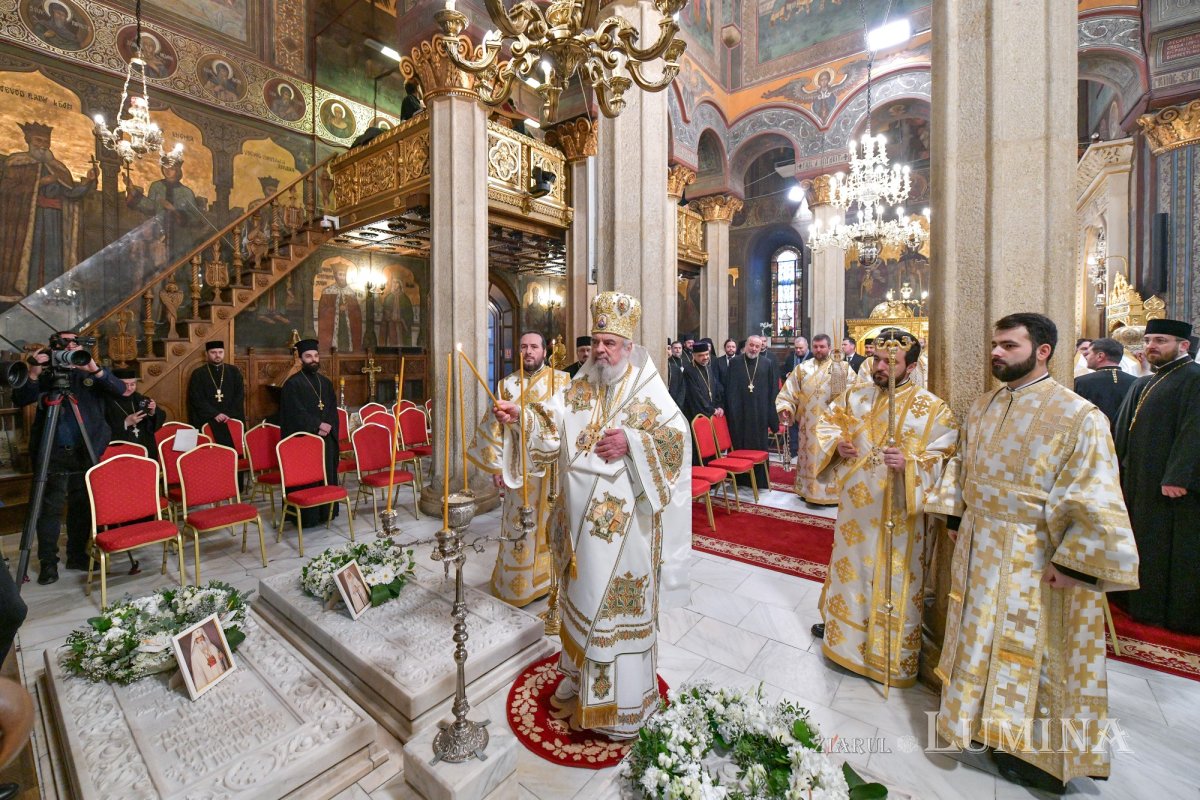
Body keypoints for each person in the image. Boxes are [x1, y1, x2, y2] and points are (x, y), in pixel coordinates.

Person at [926, 312, 1139, 793]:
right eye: (995, 344)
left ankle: (1037, 755)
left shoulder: (1078, 415)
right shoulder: (983, 405)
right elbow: (961, 465)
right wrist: (957, 518)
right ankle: (977, 724)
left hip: (1037, 554)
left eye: (1009, 346)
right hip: (980, 544)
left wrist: (1073, 561)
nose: (996, 353)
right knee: (979, 636)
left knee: (1037, 651)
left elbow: (1096, 492)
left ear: (1043, 351)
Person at [491, 291, 688, 739]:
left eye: (610, 343)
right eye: (597, 341)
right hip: (577, 528)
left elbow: (676, 440)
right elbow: (551, 420)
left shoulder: (646, 386)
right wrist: (520, 416)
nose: (600, 350)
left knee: (612, 609)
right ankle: (577, 676)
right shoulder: (581, 385)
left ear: (628, 346)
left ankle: (621, 705)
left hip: (624, 532)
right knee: (580, 600)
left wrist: (632, 443)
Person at [809, 329, 957, 687]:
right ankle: (842, 640)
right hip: (855, 513)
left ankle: (887, 656)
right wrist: (837, 446)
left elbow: (947, 457)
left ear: (912, 366)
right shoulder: (855, 396)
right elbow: (828, 424)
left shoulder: (932, 409)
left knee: (892, 580)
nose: (879, 367)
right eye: (876, 359)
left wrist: (910, 464)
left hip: (899, 516)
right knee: (851, 573)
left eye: (890, 363)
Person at [13, 332, 125, 584]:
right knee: (49, 510)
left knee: (83, 506)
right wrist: (33, 373)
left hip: (87, 450)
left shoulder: (89, 372)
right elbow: (20, 398)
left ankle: (77, 555)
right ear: (53, 348)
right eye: (64, 345)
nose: (70, 349)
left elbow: (120, 390)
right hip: (53, 451)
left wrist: (93, 368)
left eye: (75, 344)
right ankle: (48, 563)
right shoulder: (47, 374)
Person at [468, 332, 569, 607]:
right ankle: (519, 586)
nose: (528, 351)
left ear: (544, 351)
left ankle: (550, 580)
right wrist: (496, 467)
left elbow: (569, 423)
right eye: (523, 347)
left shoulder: (562, 381)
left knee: (551, 523)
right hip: (517, 469)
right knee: (518, 524)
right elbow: (494, 428)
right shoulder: (507, 385)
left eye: (534, 346)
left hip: (552, 470)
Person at [1113, 318, 1200, 635]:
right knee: (1145, 541)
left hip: (1170, 484)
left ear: (1183, 345)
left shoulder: (1193, 378)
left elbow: (1194, 429)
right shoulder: (1152, 380)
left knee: (1170, 548)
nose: (1151, 346)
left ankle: (1170, 613)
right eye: (1149, 340)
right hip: (1142, 479)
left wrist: (1179, 475)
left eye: (1160, 340)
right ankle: (1141, 604)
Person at [0, 122, 96, 300]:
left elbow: (70, 194)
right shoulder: (17, 163)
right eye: (38, 140)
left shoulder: (59, 168)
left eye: (46, 141)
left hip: (55, 220)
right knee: (32, 256)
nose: (43, 145)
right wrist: (40, 183)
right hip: (27, 221)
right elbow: (6, 190)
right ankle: (27, 292)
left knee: (54, 257)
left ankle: (54, 294)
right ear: (28, 140)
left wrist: (88, 182)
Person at [776, 334, 850, 506]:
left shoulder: (842, 367)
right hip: (807, 425)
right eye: (816, 347)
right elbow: (789, 391)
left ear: (829, 348)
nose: (818, 350)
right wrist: (786, 407)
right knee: (808, 458)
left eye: (822, 347)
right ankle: (807, 490)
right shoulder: (803, 368)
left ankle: (830, 494)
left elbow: (854, 392)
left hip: (832, 425)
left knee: (828, 457)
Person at [279, 339, 340, 526]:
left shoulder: (325, 383)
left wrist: (327, 425)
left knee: (326, 472)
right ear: (300, 359)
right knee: (308, 476)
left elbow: (331, 408)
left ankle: (327, 512)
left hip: (326, 439)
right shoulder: (292, 384)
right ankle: (308, 517)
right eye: (308, 356)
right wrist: (317, 425)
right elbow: (294, 412)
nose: (313, 359)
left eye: (315, 355)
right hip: (305, 439)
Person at [722, 335, 779, 488]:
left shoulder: (767, 363)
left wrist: (771, 416)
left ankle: (760, 481)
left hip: (759, 414)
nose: (753, 349)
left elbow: (773, 390)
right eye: (751, 345)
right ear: (746, 346)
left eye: (757, 346)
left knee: (758, 447)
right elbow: (730, 389)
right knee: (739, 446)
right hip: (739, 414)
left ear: (761, 348)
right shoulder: (735, 362)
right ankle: (739, 480)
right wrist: (731, 412)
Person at [186, 341, 245, 450]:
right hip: (209, 417)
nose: (217, 355)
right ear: (206, 354)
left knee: (234, 447)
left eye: (220, 352)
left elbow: (239, 394)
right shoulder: (198, 373)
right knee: (212, 449)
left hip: (230, 416)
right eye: (213, 352)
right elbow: (196, 398)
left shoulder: (234, 371)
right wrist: (214, 414)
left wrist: (227, 413)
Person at [1073, 336, 1136, 428]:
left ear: (1100, 356)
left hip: (1095, 433)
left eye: (1089, 353)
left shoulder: (1081, 382)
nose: (1086, 357)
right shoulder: (1136, 382)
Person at [105, 369, 163, 445]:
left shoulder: (140, 398)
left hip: (144, 444)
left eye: (132, 384)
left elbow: (158, 420)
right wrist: (125, 423)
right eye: (124, 385)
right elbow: (99, 428)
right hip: (119, 447)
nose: (129, 388)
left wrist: (152, 412)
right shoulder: (104, 401)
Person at [680, 340, 724, 424]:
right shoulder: (689, 371)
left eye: (707, 354)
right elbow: (695, 396)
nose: (705, 357)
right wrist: (711, 410)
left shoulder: (708, 367)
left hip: (713, 412)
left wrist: (719, 406)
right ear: (694, 355)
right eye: (701, 355)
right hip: (698, 414)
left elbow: (715, 389)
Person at [188, 627, 229, 691]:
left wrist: (220, 654)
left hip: (218, 670)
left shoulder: (210, 645)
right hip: (209, 676)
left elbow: (218, 653)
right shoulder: (194, 654)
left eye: (201, 637)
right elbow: (198, 672)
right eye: (198, 638)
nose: (200, 639)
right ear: (195, 640)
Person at [666, 340, 686, 409]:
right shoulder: (669, 362)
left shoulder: (685, 361)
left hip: (679, 400)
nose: (678, 350)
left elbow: (682, 386)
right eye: (675, 348)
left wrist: (679, 403)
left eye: (679, 348)